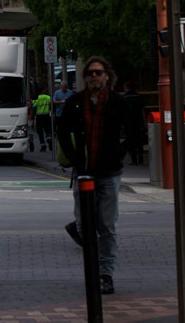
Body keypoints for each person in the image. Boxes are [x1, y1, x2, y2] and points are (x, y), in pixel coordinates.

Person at [57, 56, 129, 296]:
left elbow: (133, 131)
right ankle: (92, 268)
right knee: (85, 225)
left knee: (107, 227)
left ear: (107, 75)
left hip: (109, 173)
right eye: (90, 73)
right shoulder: (76, 102)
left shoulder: (117, 102)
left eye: (98, 72)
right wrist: (74, 158)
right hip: (84, 173)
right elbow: (63, 132)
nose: (94, 77)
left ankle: (105, 274)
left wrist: (120, 153)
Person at [122, 81, 145, 165]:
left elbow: (123, 111)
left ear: (127, 88)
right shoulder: (139, 96)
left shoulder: (124, 97)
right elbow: (142, 110)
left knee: (130, 139)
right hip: (138, 121)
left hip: (128, 121)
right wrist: (144, 121)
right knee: (139, 139)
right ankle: (140, 157)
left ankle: (134, 159)